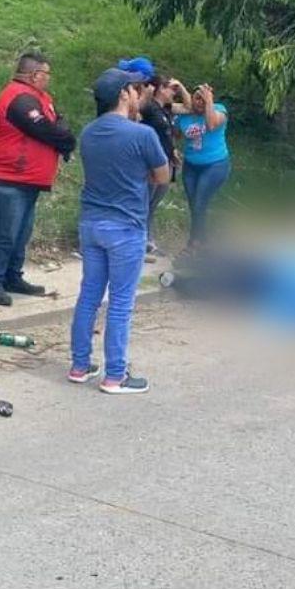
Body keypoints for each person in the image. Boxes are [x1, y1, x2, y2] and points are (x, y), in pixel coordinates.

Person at [69, 67, 169, 393]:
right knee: (121, 302)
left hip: (91, 223)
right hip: (126, 226)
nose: (140, 94)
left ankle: (80, 365)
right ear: (124, 94)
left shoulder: (89, 133)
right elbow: (163, 176)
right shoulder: (142, 135)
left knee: (89, 296)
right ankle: (116, 375)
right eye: (136, 89)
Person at [0, 52, 76, 306]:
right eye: (47, 74)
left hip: (27, 180)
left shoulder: (41, 98)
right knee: (3, 233)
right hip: (5, 177)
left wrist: (62, 134)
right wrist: (64, 138)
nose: (49, 79)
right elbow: (45, 129)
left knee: (21, 233)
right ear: (35, 75)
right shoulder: (18, 96)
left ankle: (12, 276)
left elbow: (60, 123)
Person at [172, 81, 229, 252]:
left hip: (215, 164)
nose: (199, 102)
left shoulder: (219, 110)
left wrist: (209, 101)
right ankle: (204, 241)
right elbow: (174, 134)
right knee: (194, 205)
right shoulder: (184, 115)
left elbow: (211, 125)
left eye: (203, 99)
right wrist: (172, 148)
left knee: (199, 202)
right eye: (197, 98)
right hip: (191, 165)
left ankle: (193, 244)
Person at [139, 74, 180, 260]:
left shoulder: (166, 110)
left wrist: (173, 152)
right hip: (152, 164)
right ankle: (140, 242)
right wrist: (147, 93)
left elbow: (189, 107)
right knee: (144, 203)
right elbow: (137, 111)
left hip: (167, 162)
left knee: (152, 205)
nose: (174, 92)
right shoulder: (150, 108)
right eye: (171, 88)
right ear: (160, 89)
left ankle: (148, 240)